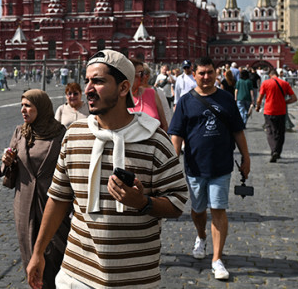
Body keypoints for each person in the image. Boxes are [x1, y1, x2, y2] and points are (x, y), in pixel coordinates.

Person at [26, 50, 187, 288]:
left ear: (123, 88)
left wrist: (142, 202)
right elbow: (58, 198)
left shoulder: (155, 141)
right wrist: (38, 252)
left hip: (134, 279)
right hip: (75, 275)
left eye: (98, 81)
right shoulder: (74, 135)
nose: (88, 89)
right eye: (87, 80)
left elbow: (177, 202)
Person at [168, 56, 251, 281]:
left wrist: (246, 157)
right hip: (195, 165)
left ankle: (217, 259)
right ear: (194, 75)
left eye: (210, 72)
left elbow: (237, 130)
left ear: (216, 73)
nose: (206, 77)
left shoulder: (226, 99)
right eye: (202, 73)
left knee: (218, 209)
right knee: (197, 210)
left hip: (221, 165)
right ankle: (201, 235)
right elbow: (177, 134)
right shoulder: (186, 101)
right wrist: (172, 163)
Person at [2, 89, 68, 289]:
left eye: (28, 106)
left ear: (41, 107)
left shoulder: (60, 133)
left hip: (52, 204)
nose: (23, 110)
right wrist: (8, 161)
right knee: (29, 253)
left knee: (54, 253)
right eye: (21, 105)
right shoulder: (20, 132)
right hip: (24, 204)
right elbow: (10, 169)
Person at [254, 69, 298, 162]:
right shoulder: (285, 83)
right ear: (277, 75)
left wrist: (257, 107)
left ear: (270, 75)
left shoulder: (265, 83)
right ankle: (278, 151)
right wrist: (285, 102)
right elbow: (294, 98)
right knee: (280, 132)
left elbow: (259, 98)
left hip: (269, 110)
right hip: (281, 111)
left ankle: (274, 150)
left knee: (270, 131)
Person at [128, 59, 168, 131]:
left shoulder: (151, 93)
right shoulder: (119, 99)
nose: (144, 76)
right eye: (141, 73)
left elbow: (164, 125)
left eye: (144, 73)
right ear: (130, 75)